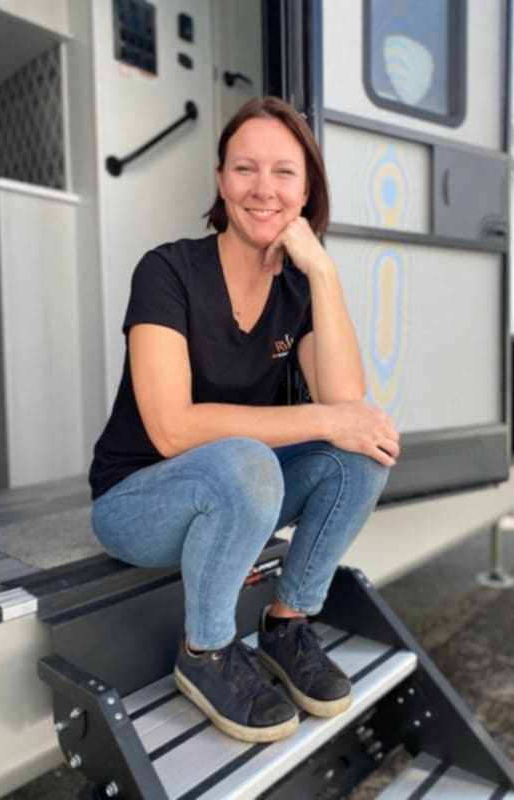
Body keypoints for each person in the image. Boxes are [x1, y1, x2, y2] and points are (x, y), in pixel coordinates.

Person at [89, 96, 400, 744]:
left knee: (365, 447)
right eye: (245, 169)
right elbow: (172, 429)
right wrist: (320, 419)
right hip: (140, 500)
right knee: (251, 456)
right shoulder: (168, 271)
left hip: (240, 486)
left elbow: (348, 405)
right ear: (221, 181)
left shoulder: (296, 288)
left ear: (308, 188)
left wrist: (322, 271)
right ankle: (204, 651)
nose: (264, 189)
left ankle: (286, 626)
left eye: (285, 172)